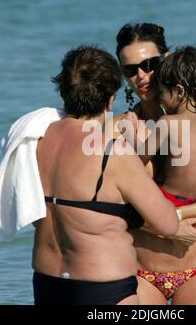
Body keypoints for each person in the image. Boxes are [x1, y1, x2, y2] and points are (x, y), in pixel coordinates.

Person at [32, 45, 182, 305]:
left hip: (47, 282)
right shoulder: (113, 151)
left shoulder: (35, 140)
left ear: (64, 89)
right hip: (103, 288)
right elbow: (167, 224)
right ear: (110, 98)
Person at [116, 22, 196, 304]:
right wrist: (169, 226)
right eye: (130, 70)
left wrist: (178, 219)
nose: (141, 75)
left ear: (166, 61)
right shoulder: (118, 127)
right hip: (142, 271)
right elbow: (107, 207)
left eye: (150, 64)